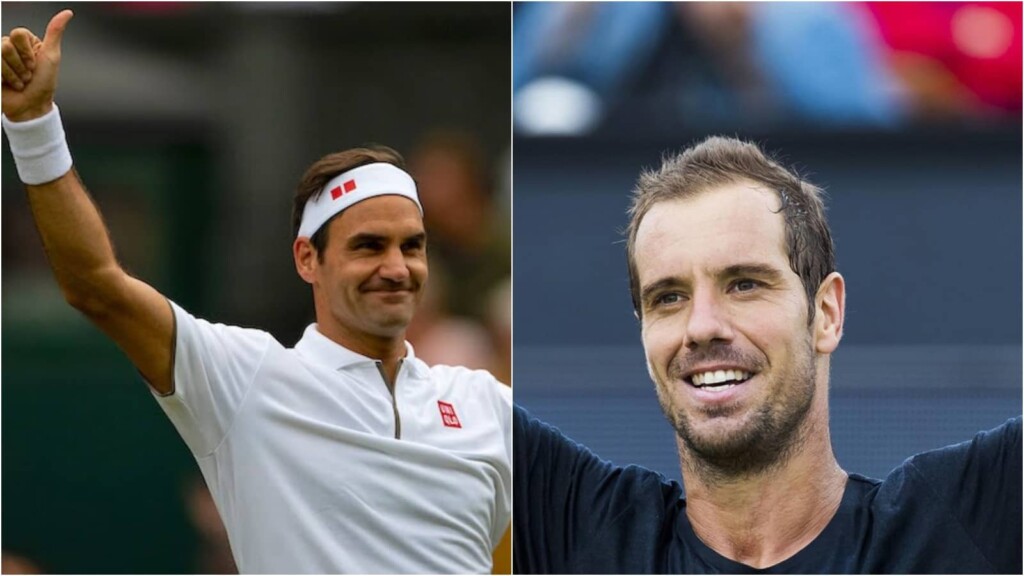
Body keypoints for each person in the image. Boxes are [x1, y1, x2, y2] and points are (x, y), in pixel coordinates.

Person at [1, 11, 510, 574]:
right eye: (368, 246)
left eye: (411, 246)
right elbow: (96, 284)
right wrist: (33, 127)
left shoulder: (488, 404)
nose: (396, 267)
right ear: (307, 259)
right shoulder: (245, 378)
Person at [512, 136, 1022, 573]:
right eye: (669, 297)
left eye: (744, 284)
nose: (702, 326)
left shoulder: (960, 525)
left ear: (826, 314)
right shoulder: (583, 536)